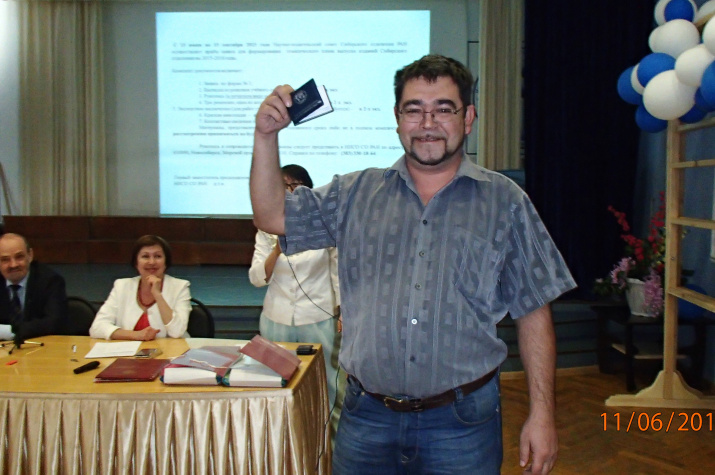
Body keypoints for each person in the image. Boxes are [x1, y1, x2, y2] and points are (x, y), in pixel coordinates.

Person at [250, 54, 576, 474]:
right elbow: (272, 215)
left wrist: (543, 414)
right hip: (366, 421)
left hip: (463, 426)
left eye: (444, 109)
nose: (427, 123)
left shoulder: (505, 201)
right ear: (398, 118)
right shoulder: (354, 194)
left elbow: (533, 311)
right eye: (414, 109)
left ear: (468, 118)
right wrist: (265, 136)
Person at [248, 163, 342, 436]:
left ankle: (328, 445)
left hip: (318, 318)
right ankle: (283, 443)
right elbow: (256, 277)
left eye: (296, 185)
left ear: (308, 191)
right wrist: (277, 249)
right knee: (276, 384)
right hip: (276, 320)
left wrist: (343, 311)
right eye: (283, 186)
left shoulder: (324, 228)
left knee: (327, 385)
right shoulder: (267, 231)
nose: (289, 191)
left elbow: (337, 273)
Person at [89, 235, 191, 341]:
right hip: (128, 350)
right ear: (136, 263)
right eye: (145, 256)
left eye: (158, 256)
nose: (152, 262)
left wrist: (157, 295)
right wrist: (136, 335)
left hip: (169, 351)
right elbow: (97, 328)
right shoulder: (122, 286)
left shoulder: (180, 287)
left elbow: (177, 332)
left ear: (166, 262)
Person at [0, 233, 68, 341]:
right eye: (5, 259)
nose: (13, 265)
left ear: (30, 255)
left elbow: (54, 323)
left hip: (41, 346)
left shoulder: (50, 281)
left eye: (19, 257)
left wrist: (12, 331)